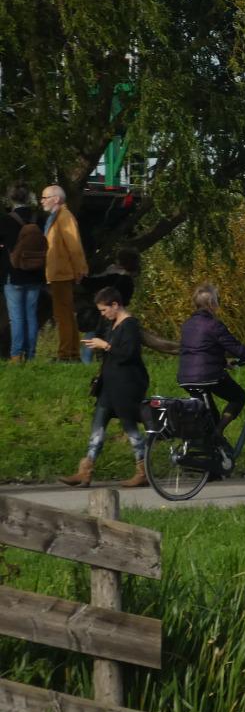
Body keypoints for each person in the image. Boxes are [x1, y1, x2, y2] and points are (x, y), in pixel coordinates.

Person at [59, 286, 151, 488]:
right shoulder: (112, 324)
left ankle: (143, 470)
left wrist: (106, 346)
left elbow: (129, 354)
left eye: (104, 310)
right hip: (109, 384)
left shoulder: (130, 325)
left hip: (127, 384)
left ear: (115, 305)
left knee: (129, 426)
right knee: (98, 425)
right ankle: (85, 469)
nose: (103, 314)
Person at [178, 282, 245, 442]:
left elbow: (199, 350)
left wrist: (223, 362)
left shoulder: (187, 325)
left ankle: (211, 450)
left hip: (186, 378)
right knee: (238, 397)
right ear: (212, 304)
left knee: (211, 418)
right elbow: (237, 349)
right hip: (207, 377)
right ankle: (218, 432)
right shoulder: (214, 325)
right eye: (218, 300)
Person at [40, 184, 89, 362]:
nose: (42, 201)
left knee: (63, 315)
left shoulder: (64, 217)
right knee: (65, 314)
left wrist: (80, 269)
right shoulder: (56, 217)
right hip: (58, 272)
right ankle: (71, 352)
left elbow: (74, 245)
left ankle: (66, 353)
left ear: (56, 199)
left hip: (62, 273)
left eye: (45, 197)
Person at [3, 184, 47, 363]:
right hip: (35, 274)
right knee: (31, 316)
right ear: (29, 198)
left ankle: (16, 355)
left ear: (11, 199)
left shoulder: (6, 220)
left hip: (13, 275)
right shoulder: (39, 219)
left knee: (17, 317)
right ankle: (31, 354)